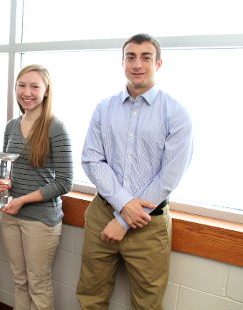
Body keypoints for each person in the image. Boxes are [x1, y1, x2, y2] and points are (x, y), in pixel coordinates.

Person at [76, 33, 193, 309]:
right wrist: (123, 205)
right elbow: (91, 159)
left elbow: (169, 176)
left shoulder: (176, 113)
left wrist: (126, 219)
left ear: (158, 63)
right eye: (131, 57)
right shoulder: (104, 108)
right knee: (90, 295)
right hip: (102, 214)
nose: (137, 64)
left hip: (149, 224)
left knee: (147, 303)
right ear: (123, 62)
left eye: (146, 57)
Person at [0, 64, 74, 309]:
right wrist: (2, 182)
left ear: (46, 91)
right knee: (19, 281)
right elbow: (8, 167)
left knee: (38, 284)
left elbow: (65, 182)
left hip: (40, 220)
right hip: (10, 214)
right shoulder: (11, 126)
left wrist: (22, 200)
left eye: (34, 86)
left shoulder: (56, 128)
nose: (26, 92)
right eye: (21, 85)